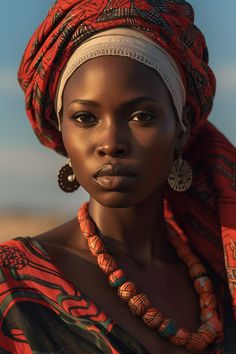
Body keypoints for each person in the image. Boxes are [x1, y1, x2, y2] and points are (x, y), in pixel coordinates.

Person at [0, 0, 235, 353]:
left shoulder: (221, 281)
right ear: (61, 129)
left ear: (181, 130)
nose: (110, 143)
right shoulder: (13, 283)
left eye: (141, 116)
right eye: (85, 119)